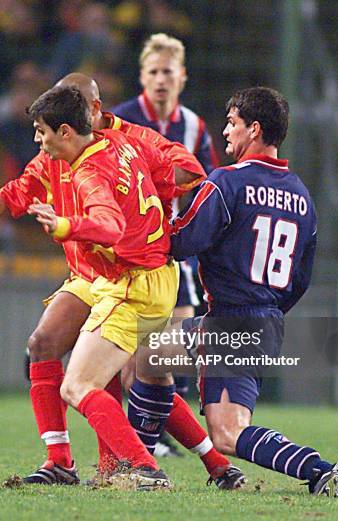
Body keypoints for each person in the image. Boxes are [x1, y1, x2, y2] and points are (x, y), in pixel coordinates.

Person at [0, 74, 244, 489]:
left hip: (131, 277)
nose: (37, 138)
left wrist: (71, 224)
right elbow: (19, 191)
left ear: (90, 113)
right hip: (98, 275)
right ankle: (68, 462)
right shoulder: (78, 153)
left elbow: (169, 185)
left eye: (43, 128)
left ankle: (140, 468)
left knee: (92, 381)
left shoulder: (115, 150)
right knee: (48, 346)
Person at [169, 86, 338, 496]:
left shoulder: (227, 182)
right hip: (266, 322)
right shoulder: (302, 197)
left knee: (227, 434)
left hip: (228, 323)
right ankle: (143, 460)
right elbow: (301, 279)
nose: (225, 132)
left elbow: (181, 243)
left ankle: (319, 468)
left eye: (232, 123)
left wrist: (152, 208)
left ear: (253, 129)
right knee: (148, 359)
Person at [111, 32, 219, 458]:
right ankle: (138, 446)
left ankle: (148, 443)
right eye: (153, 71)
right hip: (130, 252)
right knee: (132, 362)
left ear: (182, 77)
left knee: (165, 354)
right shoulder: (120, 120)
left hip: (176, 252)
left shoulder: (194, 126)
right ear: (142, 75)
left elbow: (208, 186)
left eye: (167, 72)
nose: (160, 79)